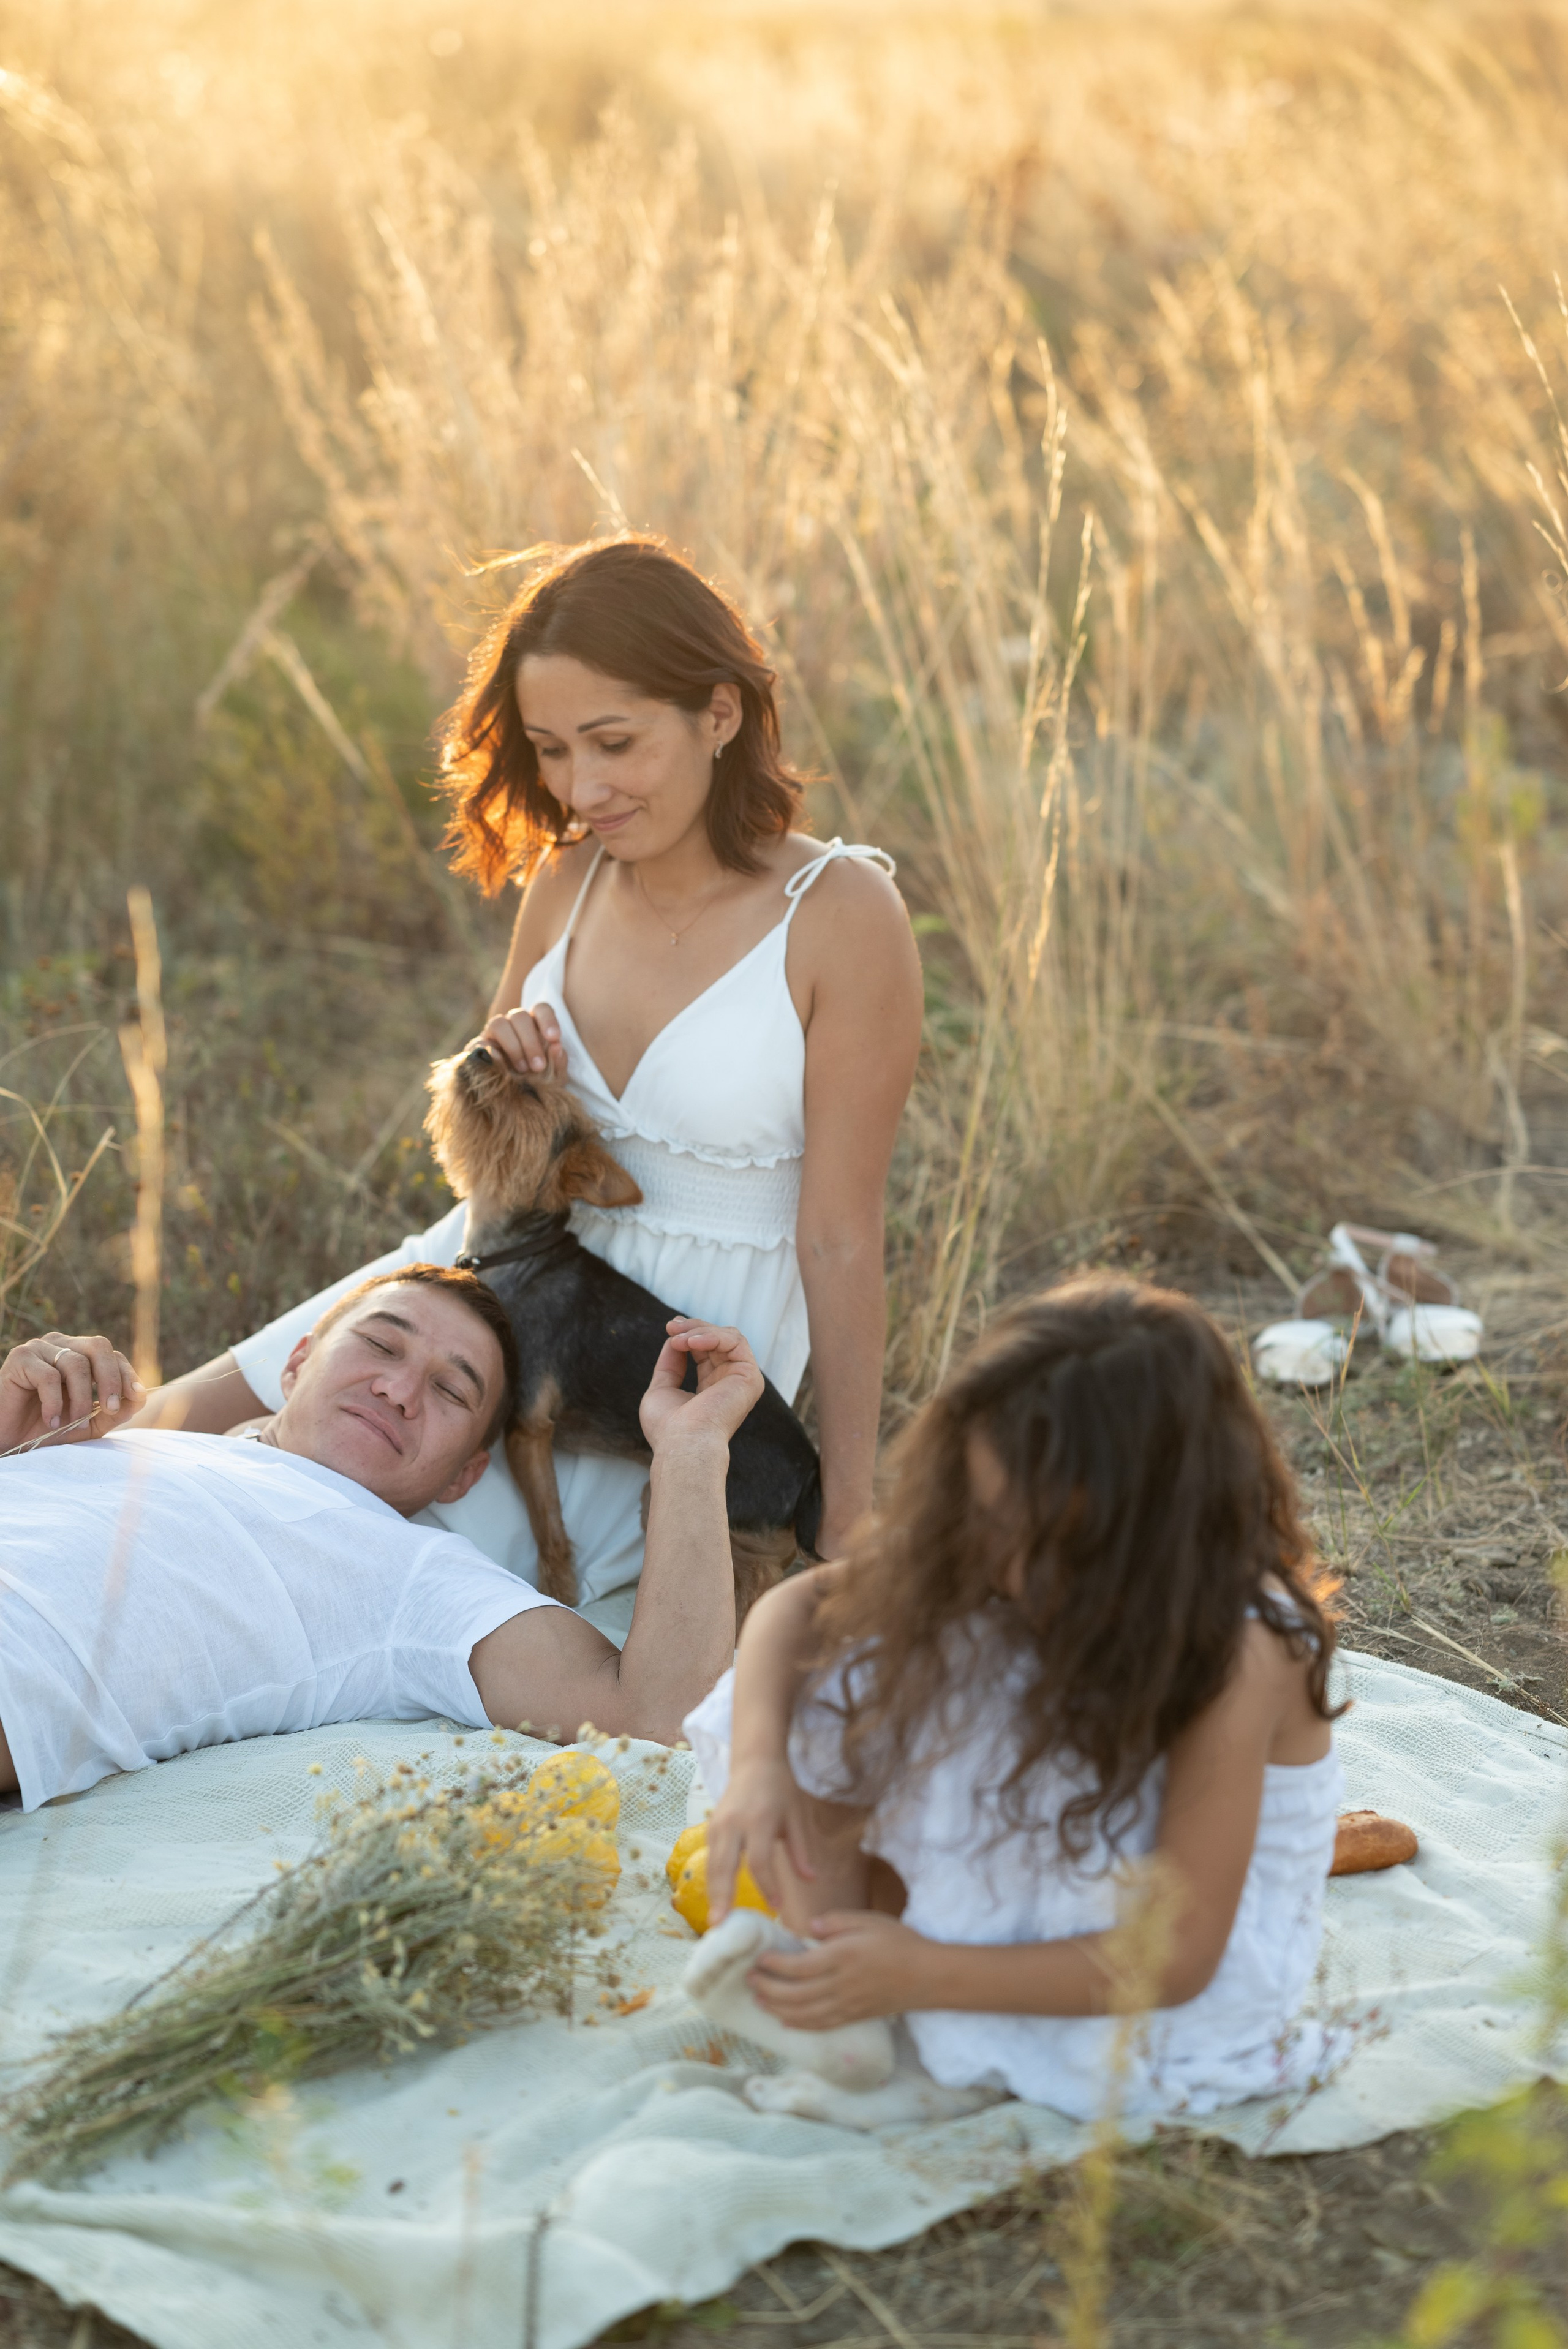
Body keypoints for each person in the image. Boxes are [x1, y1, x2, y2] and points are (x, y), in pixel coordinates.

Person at [132, 535, 923, 1628]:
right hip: (480, 1277)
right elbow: (478, 1155)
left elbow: (838, 1235)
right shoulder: (567, 880)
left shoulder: (841, 917)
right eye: (551, 749)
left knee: (358, 1582)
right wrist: (494, 1070)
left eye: (614, 742)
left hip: (653, 1358)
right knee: (145, 1447)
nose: (581, 789)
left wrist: (849, 1511)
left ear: (720, 714)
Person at [679, 1278, 1346, 2130]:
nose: (1001, 1560)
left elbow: (1178, 1955)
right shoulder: (1005, 1535)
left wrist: (925, 1970)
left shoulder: (1242, 1648)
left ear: (1154, 1528)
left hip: (1159, 1992)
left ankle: (940, 2026)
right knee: (848, 1666)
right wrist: (758, 1767)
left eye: (1050, 1543)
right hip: (1050, 1875)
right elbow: (801, 1607)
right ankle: (853, 1998)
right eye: (989, 1516)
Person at [0, 1270, 760, 1812]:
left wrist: (691, 1449)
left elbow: (660, 1714)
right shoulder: (134, 1437)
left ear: (465, 1475)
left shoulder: (414, 1577)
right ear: (296, 1363)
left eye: (450, 1390)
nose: (398, 1391)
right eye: (380, 1345)